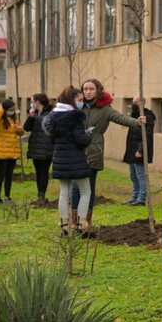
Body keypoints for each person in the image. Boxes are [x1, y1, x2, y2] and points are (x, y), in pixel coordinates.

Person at [70, 79, 145, 235]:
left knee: (88, 188)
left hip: (93, 152)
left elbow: (120, 117)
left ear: (98, 91)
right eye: (85, 89)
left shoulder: (105, 109)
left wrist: (137, 122)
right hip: (76, 151)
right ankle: (73, 222)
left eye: (91, 89)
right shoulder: (77, 106)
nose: (88, 92)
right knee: (75, 187)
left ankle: (85, 223)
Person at [42, 86, 92, 235]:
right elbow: (81, 140)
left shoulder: (52, 116)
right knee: (85, 191)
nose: (81, 103)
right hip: (76, 159)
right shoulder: (75, 116)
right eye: (80, 100)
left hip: (60, 159)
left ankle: (64, 225)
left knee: (64, 193)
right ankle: (81, 223)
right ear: (72, 99)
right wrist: (88, 135)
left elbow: (51, 140)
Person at [122, 96, 156, 206]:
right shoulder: (134, 117)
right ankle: (134, 197)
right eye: (132, 102)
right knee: (133, 176)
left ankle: (141, 199)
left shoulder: (148, 117)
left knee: (141, 176)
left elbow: (148, 136)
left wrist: (141, 150)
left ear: (142, 103)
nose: (133, 104)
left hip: (139, 151)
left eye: (136, 102)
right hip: (131, 151)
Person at [24, 93, 55, 204]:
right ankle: (39, 195)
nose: (31, 104)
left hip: (46, 148)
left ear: (38, 102)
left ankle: (42, 195)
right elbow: (26, 128)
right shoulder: (35, 114)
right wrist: (31, 116)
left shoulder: (50, 114)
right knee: (38, 172)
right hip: (35, 148)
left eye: (33, 101)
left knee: (44, 172)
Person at [0, 99, 25, 203]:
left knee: (9, 175)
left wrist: (20, 130)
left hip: (12, 151)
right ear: (6, 109)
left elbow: (21, 133)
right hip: (2, 151)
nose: (13, 111)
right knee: (1, 174)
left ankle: (7, 196)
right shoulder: (0, 118)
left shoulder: (13, 119)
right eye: (11, 109)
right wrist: (0, 110)